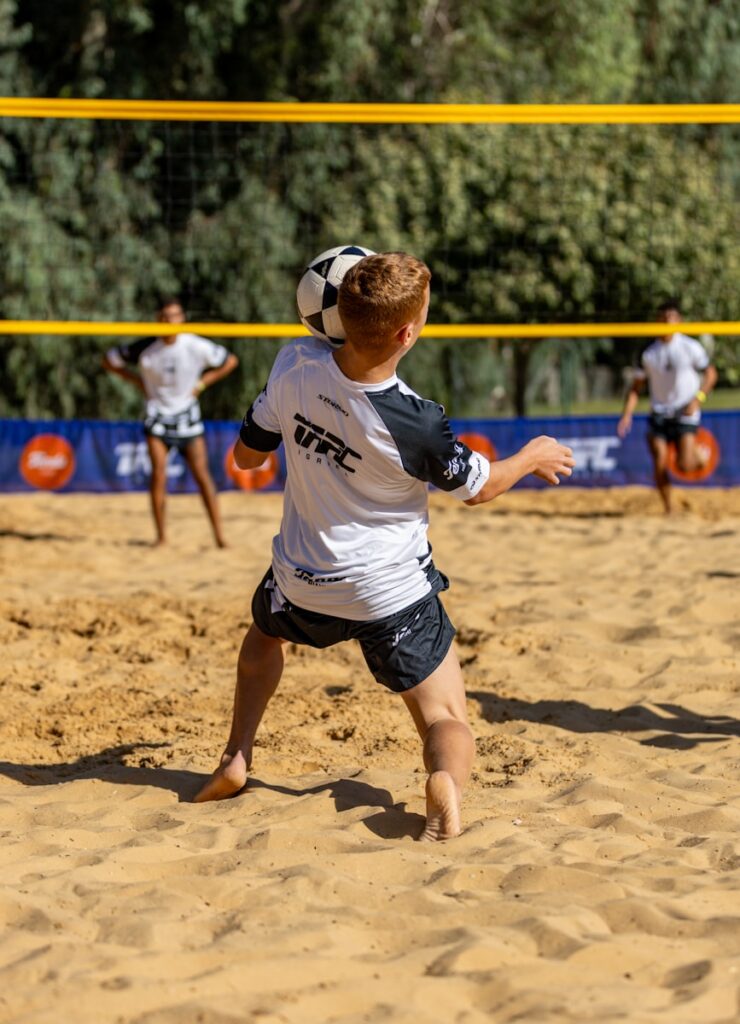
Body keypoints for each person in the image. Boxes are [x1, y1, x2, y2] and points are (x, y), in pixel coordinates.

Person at [194, 253, 574, 840]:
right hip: (387, 593)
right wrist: (532, 457)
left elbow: (245, 458)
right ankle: (444, 782)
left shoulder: (294, 362)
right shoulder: (416, 423)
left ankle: (236, 758)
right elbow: (479, 489)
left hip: (302, 579)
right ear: (408, 332)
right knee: (446, 718)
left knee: (263, 635)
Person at [103, 297, 238, 547]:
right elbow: (109, 360)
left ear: (182, 318)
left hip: (187, 417)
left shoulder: (196, 345)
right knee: (159, 475)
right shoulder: (145, 347)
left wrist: (202, 384)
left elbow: (230, 361)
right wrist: (137, 382)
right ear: (158, 319)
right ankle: (161, 537)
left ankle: (220, 537)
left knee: (202, 476)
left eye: (174, 316)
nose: (170, 321)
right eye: (165, 317)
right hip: (157, 417)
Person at [617, 299, 717, 514]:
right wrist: (626, 415)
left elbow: (711, 374)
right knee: (660, 461)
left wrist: (698, 399)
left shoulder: (690, 346)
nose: (666, 321)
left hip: (685, 411)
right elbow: (636, 388)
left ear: (679, 320)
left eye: (671, 317)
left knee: (685, 465)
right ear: (657, 319)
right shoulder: (648, 352)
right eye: (663, 317)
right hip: (660, 412)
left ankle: (699, 456)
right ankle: (670, 509)